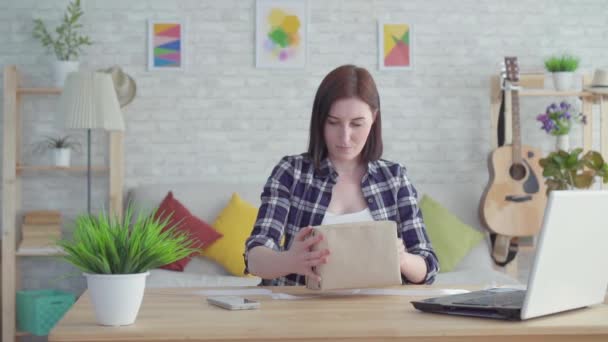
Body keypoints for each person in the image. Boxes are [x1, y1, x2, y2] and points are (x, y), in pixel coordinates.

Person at [244, 64, 439, 286]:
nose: (345, 137)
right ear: (320, 120)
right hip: (300, 315)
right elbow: (255, 257)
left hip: (380, 314)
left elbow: (428, 266)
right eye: (333, 122)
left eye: (357, 124)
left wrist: (401, 258)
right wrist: (289, 261)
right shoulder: (292, 172)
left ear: (374, 118)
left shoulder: (394, 178)